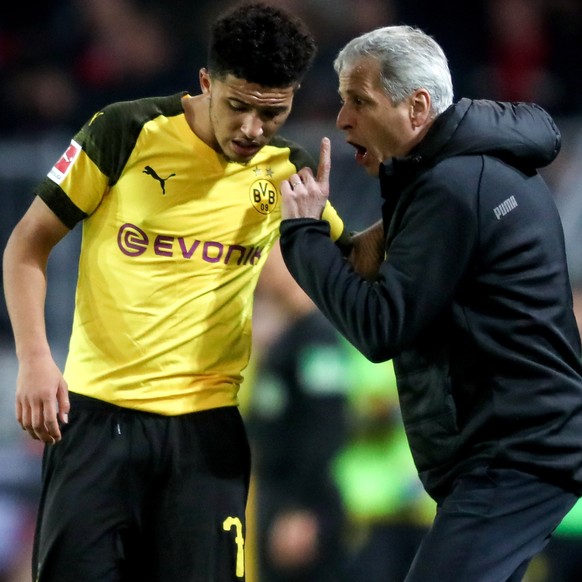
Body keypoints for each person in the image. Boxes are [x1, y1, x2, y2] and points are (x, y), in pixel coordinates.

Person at [1, 3, 359, 581]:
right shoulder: (124, 131)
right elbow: (26, 246)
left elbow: (361, 261)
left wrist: (421, 190)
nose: (251, 129)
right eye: (237, 105)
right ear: (205, 82)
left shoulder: (285, 167)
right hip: (97, 422)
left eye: (272, 112)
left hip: (206, 433)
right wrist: (36, 359)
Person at [277, 24, 582, 582]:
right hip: (517, 452)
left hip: (512, 457)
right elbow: (378, 273)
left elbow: (379, 326)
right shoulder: (469, 170)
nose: (342, 120)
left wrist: (300, 236)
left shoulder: (452, 188)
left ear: (417, 107)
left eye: (359, 102)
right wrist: (324, 234)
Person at [247, 241, 350, 582]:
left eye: (269, 255)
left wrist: (300, 510)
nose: (261, 267)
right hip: (277, 500)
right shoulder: (284, 339)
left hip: (303, 508)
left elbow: (327, 428)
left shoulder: (318, 339)